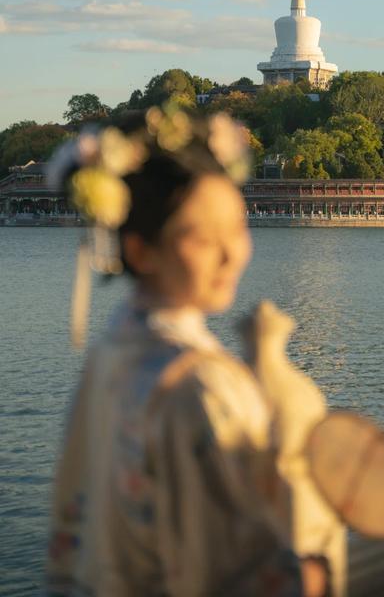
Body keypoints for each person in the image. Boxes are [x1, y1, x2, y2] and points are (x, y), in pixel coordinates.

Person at [46, 105, 328, 597]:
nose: (232, 253)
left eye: (238, 228)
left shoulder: (110, 356)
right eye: (203, 237)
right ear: (139, 250)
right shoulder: (202, 387)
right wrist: (314, 575)